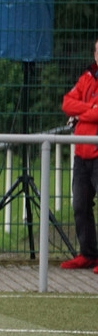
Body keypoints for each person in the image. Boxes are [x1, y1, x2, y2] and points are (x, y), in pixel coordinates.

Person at [59, 38, 98, 271]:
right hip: (81, 153)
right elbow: (67, 103)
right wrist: (90, 110)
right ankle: (89, 254)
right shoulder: (87, 77)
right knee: (80, 204)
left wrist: (82, 112)